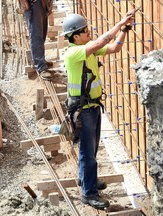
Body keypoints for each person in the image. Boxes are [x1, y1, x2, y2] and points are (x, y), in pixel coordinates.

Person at [61, 10, 137, 210]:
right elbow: (102, 42)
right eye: (84, 30)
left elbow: (114, 48)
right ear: (74, 36)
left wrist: (125, 30)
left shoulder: (87, 48)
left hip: (93, 107)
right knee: (87, 152)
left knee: (91, 149)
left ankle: (86, 180)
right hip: (83, 110)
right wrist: (120, 22)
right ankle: (89, 193)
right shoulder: (73, 53)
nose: (89, 32)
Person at [19, 0, 59, 80]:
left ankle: (41, 60)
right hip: (33, 4)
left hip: (42, 3)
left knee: (42, 33)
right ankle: (40, 66)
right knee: (36, 35)